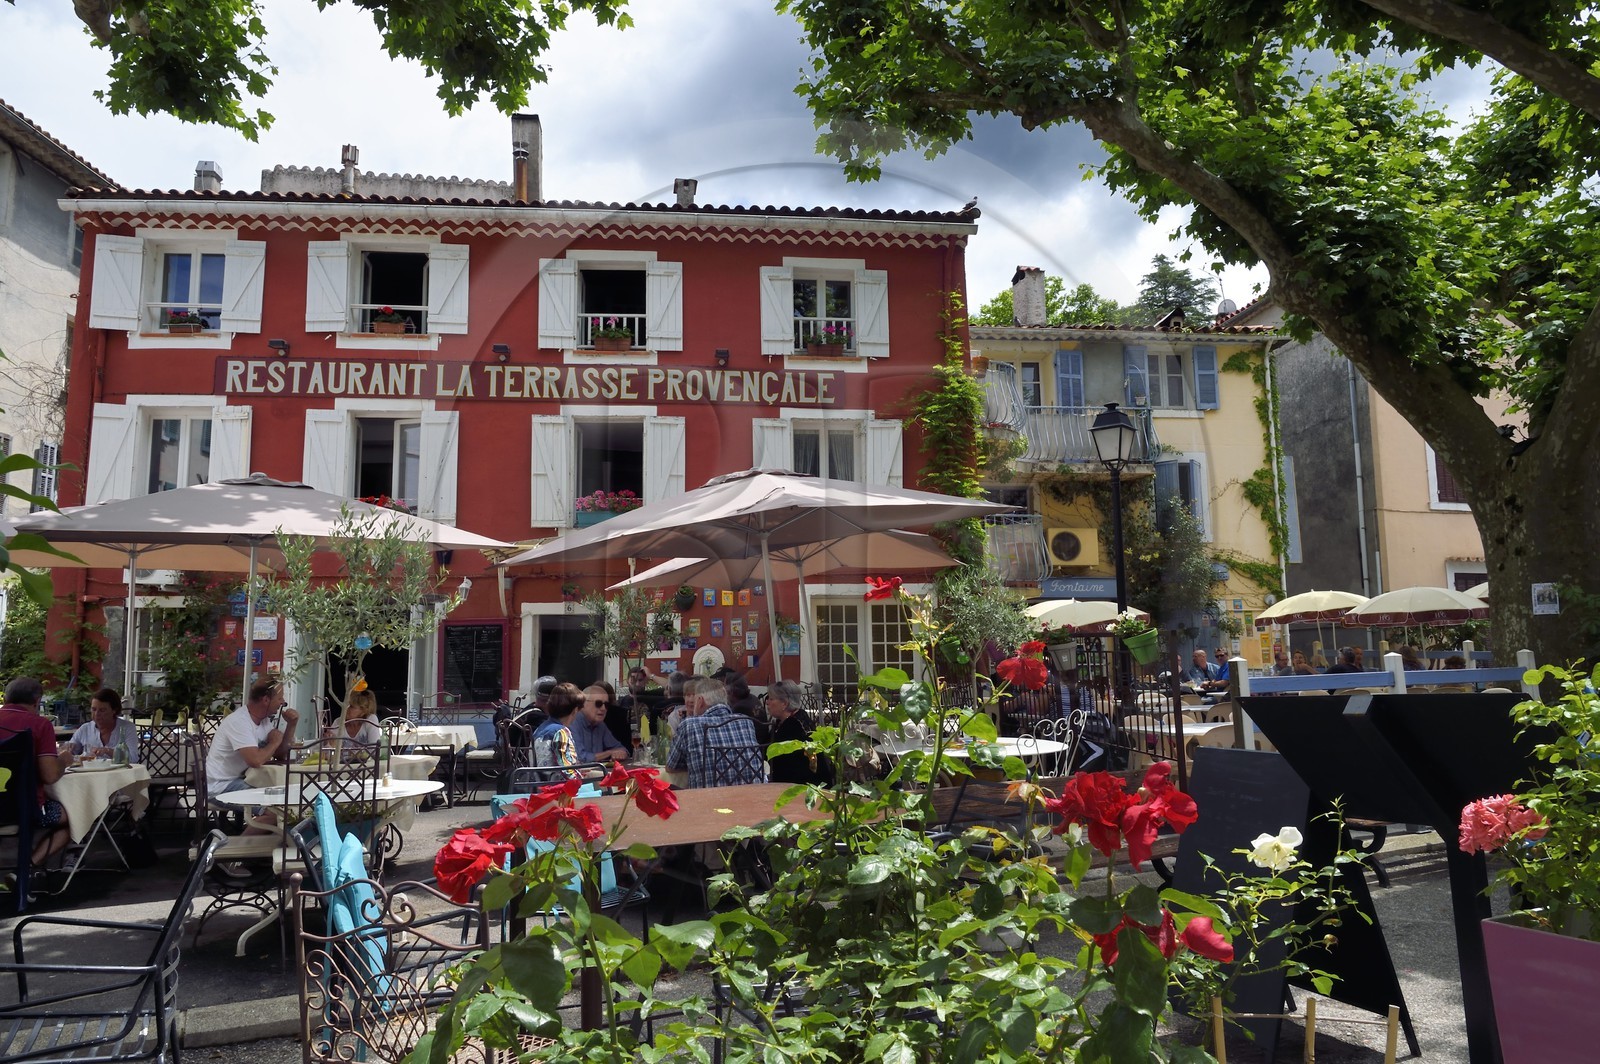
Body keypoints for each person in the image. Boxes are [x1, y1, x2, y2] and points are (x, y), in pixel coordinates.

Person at [0, 677, 73, 865]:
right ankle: (27, 867)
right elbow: (49, 776)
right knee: (75, 817)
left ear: (6, 699)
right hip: (22, 810)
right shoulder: (39, 725)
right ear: (37, 701)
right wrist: (63, 760)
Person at [205, 679, 299, 822]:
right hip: (221, 786)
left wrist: (291, 726)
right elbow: (255, 760)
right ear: (266, 700)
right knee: (278, 812)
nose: (283, 702)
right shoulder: (239, 722)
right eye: (280, 698)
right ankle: (238, 844)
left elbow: (279, 753)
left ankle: (274, 840)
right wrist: (274, 742)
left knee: (286, 800)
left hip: (245, 779)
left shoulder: (264, 720)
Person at [666, 677, 765, 788]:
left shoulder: (690, 725)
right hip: (751, 797)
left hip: (708, 800)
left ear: (700, 701)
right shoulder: (746, 721)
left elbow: (671, 766)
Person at [764, 680, 830, 785]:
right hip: (801, 781)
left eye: (771, 699)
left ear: (784, 703)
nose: (767, 702)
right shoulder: (793, 719)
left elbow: (773, 757)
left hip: (803, 786)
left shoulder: (793, 726)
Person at [68, 687, 141, 764]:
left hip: (118, 774)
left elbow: (133, 758)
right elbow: (71, 751)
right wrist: (67, 748)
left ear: (114, 710)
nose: (96, 714)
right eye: (93, 709)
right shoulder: (85, 729)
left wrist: (107, 751)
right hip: (90, 774)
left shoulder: (127, 728)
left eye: (102, 710)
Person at [531, 682, 582, 771]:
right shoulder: (561, 732)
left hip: (538, 781)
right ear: (575, 710)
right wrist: (581, 779)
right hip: (554, 783)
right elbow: (567, 770)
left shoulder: (540, 729)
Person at [574, 684, 631, 763]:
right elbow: (579, 757)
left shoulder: (600, 725)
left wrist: (621, 753)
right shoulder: (572, 723)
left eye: (606, 705)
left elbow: (621, 748)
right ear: (583, 703)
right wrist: (609, 753)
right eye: (598, 704)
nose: (603, 708)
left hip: (596, 773)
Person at [324, 686, 382, 757]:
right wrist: (328, 743)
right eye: (346, 705)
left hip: (367, 767)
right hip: (342, 767)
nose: (346, 708)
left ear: (363, 711)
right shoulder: (338, 722)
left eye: (351, 706)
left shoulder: (370, 720)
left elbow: (375, 752)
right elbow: (327, 755)